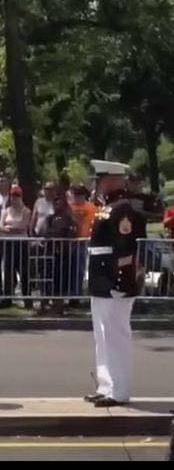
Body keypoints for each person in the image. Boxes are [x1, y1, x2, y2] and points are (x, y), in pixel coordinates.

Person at [85, 160, 147, 407]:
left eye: (100, 180)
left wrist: (119, 280)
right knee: (102, 336)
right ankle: (107, 385)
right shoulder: (107, 207)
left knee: (116, 335)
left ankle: (119, 390)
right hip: (101, 280)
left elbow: (126, 246)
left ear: (111, 179)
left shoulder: (123, 208)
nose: (98, 184)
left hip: (114, 280)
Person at [0, 186, 32, 307]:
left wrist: (9, 229)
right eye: (13, 196)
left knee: (24, 272)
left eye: (17, 196)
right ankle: (7, 298)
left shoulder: (26, 211)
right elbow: (1, 226)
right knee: (8, 272)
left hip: (21, 244)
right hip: (8, 244)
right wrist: (11, 229)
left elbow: (23, 226)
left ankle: (27, 299)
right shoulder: (5, 211)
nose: (15, 198)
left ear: (21, 197)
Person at [44, 195, 77, 313]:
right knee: (50, 277)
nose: (57, 205)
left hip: (64, 252)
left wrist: (62, 236)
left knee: (62, 279)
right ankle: (50, 302)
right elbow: (46, 232)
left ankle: (60, 303)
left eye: (59, 203)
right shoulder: (50, 218)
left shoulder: (68, 218)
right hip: (51, 252)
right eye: (55, 203)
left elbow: (72, 232)